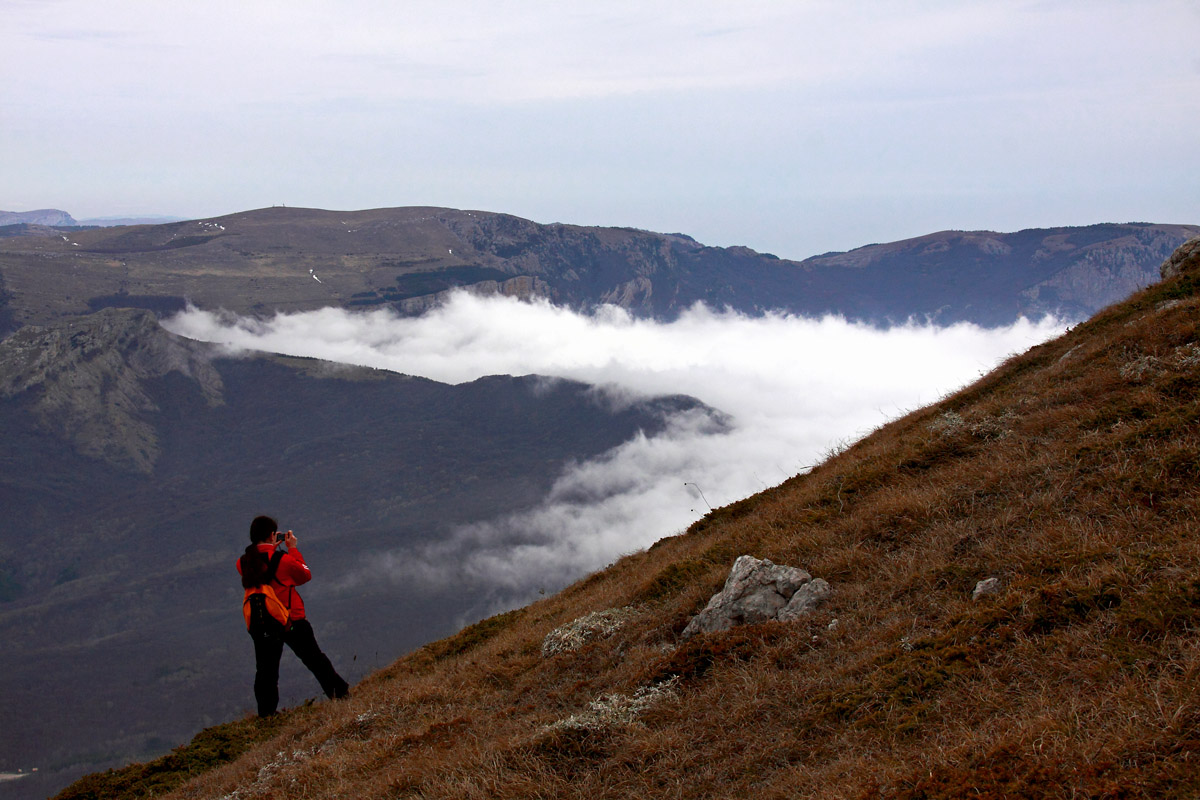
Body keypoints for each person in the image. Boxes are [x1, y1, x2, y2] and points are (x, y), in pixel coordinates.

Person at [237, 515, 349, 716]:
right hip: (291, 620)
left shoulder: (244, 562)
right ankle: (340, 694)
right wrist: (293, 548)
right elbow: (304, 574)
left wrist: (270, 547)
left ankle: (267, 714)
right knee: (315, 660)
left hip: (262, 623)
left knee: (266, 670)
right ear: (273, 535)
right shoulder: (284, 560)